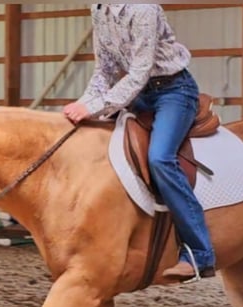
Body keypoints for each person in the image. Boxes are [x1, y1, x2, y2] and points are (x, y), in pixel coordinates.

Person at [63, 4, 216, 282]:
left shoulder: (144, 9)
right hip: (139, 93)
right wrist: (84, 103)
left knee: (160, 158)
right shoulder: (99, 8)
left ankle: (199, 253)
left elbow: (139, 71)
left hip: (173, 90)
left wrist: (97, 106)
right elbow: (104, 69)